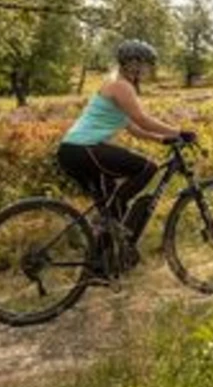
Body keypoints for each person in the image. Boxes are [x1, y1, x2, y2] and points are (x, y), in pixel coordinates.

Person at [56, 39, 195, 267]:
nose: (149, 69)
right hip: (83, 149)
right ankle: (104, 223)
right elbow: (142, 119)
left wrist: (162, 139)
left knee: (112, 205)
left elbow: (133, 127)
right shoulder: (121, 86)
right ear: (133, 64)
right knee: (146, 168)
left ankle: (102, 263)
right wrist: (179, 132)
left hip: (74, 151)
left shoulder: (115, 84)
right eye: (147, 64)